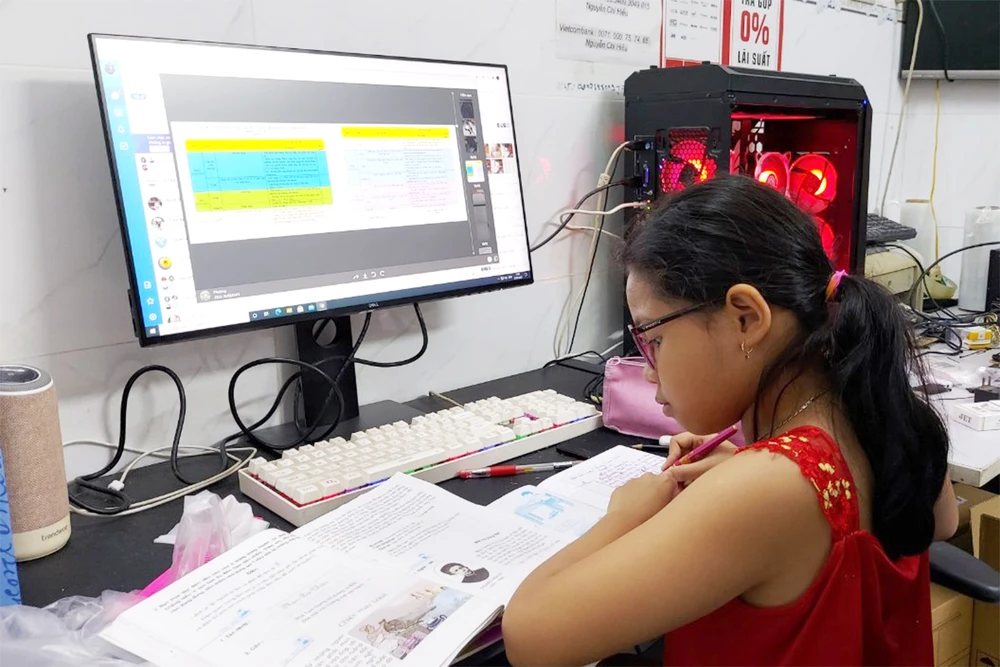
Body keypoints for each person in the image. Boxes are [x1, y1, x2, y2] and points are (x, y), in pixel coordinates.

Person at [502, 175, 957, 666]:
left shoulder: (769, 486)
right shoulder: (879, 407)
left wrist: (625, 515)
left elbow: (530, 638)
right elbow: (944, 520)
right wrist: (746, 468)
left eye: (654, 339)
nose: (649, 369)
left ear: (746, 318)